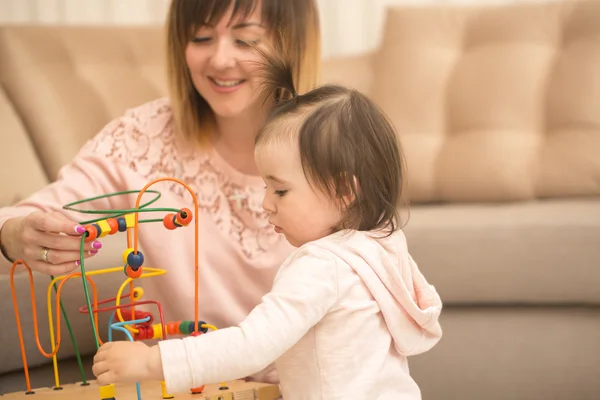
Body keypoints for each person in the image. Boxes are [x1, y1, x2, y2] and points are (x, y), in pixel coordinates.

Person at [91, 46, 443, 399]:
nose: (265, 204)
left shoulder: (322, 265)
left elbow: (251, 346)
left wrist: (153, 362)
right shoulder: (380, 249)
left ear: (343, 190)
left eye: (280, 190)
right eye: (266, 187)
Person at [0, 0, 321, 384]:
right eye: (201, 37)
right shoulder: (141, 139)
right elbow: (25, 216)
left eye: (246, 40)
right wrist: (14, 235)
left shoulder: (330, 146)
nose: (219, 59)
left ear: (291, 43)